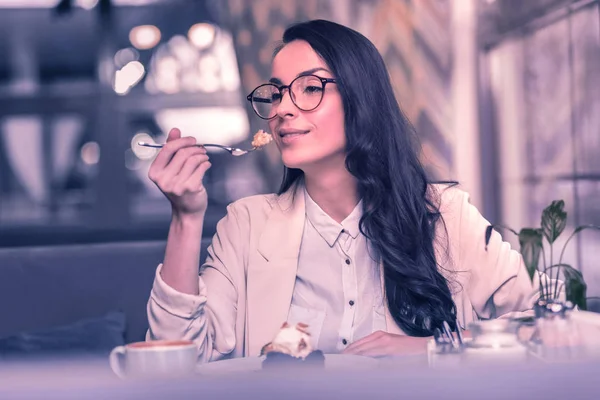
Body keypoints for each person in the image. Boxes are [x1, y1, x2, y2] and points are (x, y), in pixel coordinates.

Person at [145, 19, 539, 362]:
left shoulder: (445, 216)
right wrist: (186, 216)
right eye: (278, 92)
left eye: (310, 88)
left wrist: (430, 350)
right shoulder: (246, 225)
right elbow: (177, 358)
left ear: (360, 99)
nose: (283, 109)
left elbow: (538, 325)